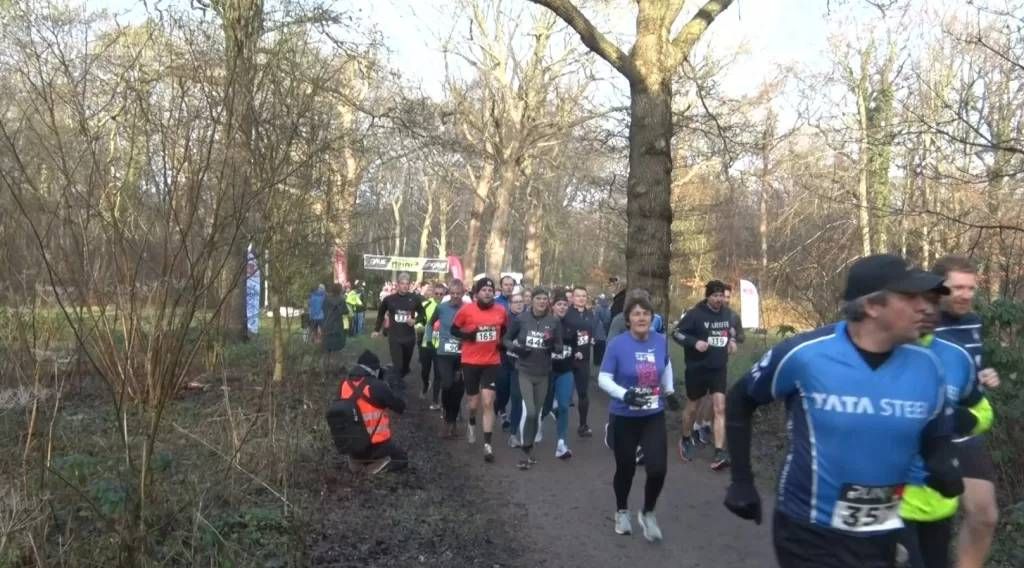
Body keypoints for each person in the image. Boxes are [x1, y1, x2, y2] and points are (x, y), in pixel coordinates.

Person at [724, 254, 964, 568]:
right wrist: (741, 480)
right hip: (809, 531)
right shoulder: (805, 355)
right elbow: (740, 399)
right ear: (872, 306)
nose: (926, 306)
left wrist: (942, 464)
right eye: (909, 297)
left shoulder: (929, 366)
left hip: (885, 529)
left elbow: (935, 434)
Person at [900, 289, 995, 568]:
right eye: (917, 303)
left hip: (939, 499)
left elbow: (984, 411)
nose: (926, 310)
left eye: (931, 303)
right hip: (889, 499)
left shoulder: (956, 355)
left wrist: (964, 420)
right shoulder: (880, 352)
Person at [930, 255, 1001, 568]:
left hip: (964, 429)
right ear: (938, 287)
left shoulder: (973, 321)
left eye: (971, 288)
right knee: (926, 526)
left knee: (984, 516)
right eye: (957, 288)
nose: (965, 295)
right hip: (922, 431)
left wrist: (985, 374)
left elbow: (969, 368)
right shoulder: (921, 320)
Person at [598, 295, 680, 542]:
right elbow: (603, 378)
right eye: (636, 314)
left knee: (658, 468)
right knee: (626, 468)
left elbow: (665, 366)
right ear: (628, 320)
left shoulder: (660, 341)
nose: (641, 317)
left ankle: (648, 512)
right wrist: (625, 395)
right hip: (624, 415)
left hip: (652, 414)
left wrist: (670, 391)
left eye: (646, 313)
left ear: (652, 318)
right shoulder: (617, 345)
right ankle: (622, 511)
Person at [673, 280, 736, 469]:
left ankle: (719, 452)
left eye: (721, 296)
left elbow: (730, 329)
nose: (719, 300)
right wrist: (694, 343)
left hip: (718, 368)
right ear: (707, 296)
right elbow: (676, 333)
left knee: (720, 408)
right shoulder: (695, 314)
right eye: (715, 296)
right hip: (697, 367)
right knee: (693, 407)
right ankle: (685, 438)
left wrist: (732, 340)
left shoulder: (727, 313)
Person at [504, 288, 562, 469]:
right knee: (529, 412)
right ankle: (526, 447)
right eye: (539, 298)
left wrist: (551, 343)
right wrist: (517, 349)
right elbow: (505, 339)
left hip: (544, 373)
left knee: (536, 415)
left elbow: (559, 348)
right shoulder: (521, 319)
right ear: (533, 301)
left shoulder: (553, 321)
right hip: (524, 371)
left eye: (545, 299)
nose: (542, 302)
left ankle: (528, 451)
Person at [452, 277, 509, 463]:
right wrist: (467, 335)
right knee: (473, 403)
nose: (487, 293)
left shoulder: (501, 311)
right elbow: (453, 330)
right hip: (470, 361)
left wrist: (501, 343)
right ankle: (471, 420)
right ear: (477, 293)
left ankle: (487, 445)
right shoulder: (466, 310)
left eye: (490, 290)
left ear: (494, 292)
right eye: (484, 290)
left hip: (491, 362)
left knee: (487, 402)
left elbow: (505, 329)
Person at [329, 350, 408, 474]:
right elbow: (400, 406)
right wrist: (394, 382)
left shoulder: (343, 384)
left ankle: (357, 463)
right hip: (375, 445)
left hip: (352, 447)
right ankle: (372, 469)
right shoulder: (376, 386)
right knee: (401, 458)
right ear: (375, 370)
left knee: (360, 452)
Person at [428, 279, 468, 438]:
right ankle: (446, 420)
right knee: (447, 384)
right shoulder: (441, 308)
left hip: (462, 354)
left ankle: (453, 423)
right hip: (444, 353)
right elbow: (430, 324)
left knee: (458, 390)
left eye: (458, 294)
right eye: (453, 293)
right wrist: (431, 340)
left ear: (463, 293)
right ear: (448, 293)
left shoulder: (468, 308)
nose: (455, 296)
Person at [373, 273, 426, 378]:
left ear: (410, 285)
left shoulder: (415, 298)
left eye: (407, 283)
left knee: (405, 367)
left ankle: (403, 373)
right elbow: (380, 314)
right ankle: (397, 387)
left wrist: (415, 320)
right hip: (395, 337)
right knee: (397, 366)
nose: (405, 286)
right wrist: (376, 329)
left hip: (409, 338)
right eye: (402, 283)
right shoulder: (389, 299)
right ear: (397, 284)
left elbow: (422, 314)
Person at [564, 286, 599, 438]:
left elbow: (590, 331)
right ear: (572, 298)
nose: (581, 299)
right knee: (563, 395)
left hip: (583, 359)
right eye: (578, 296)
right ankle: (557, 423)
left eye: (584, 296)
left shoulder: (590, 313)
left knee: (583, 393)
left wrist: (591, 339)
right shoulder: (566, 313)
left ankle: (583, 425)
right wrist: (572, 348)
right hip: (567, 359)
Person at [548, 291, 577, 459]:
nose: (562, 307)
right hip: (547, 371)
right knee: (544, 408)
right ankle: (532, 430)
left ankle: (561, 443)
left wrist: (578, 354)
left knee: (564, 406)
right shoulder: (546, 323)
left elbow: (576, 347)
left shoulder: (571, 325)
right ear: (553, 306)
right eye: (559, 304)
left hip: (566, 370)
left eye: (565, 305)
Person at [505, 292, 526, 447]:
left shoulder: (529, 319)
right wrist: (512, 347)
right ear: (510, 304)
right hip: (504, 362)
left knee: (517, 399)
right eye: (516, 302)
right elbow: (502, 340)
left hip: (523, 366)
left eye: (521, 301)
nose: (519, 304)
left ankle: (513, 434)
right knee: (502, 395)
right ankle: (500, 410)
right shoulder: (505, 319)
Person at [417, 282, 439, 406]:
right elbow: (419, 321)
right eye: (436, 293)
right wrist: (419, 326)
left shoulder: (447, 306)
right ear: (432, 293)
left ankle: (435, 400)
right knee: (425, 370)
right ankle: (426, 384)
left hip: (440, 345)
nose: (439, 296)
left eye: (441, 294)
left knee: (438, 373)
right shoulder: (425, 305)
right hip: (426, 343)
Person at [321, 283, 349, 377]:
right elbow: (345, 311)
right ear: (339, 290)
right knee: (336, 352)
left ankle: (325, 373)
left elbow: (323, 309)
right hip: (337, 327)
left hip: (326, 326)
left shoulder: (326, 299)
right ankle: (334, 372)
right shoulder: (341, 299)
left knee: (326, 352)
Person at [594, 293, 612, 364]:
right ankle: (602, 360)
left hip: (598, 330)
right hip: (604, 331)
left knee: (597, 347)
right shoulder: (608, 310)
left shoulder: (598, 308)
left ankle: (596, 361)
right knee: (603, 347)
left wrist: (593, 330)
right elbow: (608, 320)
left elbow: (595, 319)